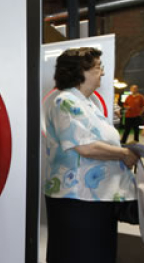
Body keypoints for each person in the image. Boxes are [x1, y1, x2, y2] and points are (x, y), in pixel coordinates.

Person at [43, 47, 139, 263]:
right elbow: (85, 147)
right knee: (80, 254)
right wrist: (124, 153)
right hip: (77, 200)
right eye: (98, 67)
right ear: (80, 72)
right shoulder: (65, 101)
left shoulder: (89, 104)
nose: (102, 73)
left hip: (97, 198)